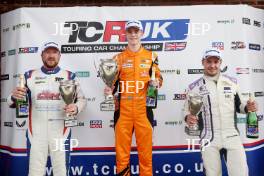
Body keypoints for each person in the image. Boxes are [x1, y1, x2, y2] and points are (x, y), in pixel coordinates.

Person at [7, 41, 87, 176]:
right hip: (36, 133)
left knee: (61, 172)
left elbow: (82, 100)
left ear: (59, 55)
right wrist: (14, 96)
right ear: (42, 55)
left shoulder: (69, 76)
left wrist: (76, 107)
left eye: (54, 52)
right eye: (48, 52)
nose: (51, 55)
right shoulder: (29, 76)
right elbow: (10, 102)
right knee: (35, 172)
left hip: (61, 132)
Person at [184, 48, 258, 176]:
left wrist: (248, 107)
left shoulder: (232, 82)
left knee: (241, 173)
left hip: (232, 136)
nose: (212, 65)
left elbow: (240, 106)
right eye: (209, 61)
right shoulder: (194, 87)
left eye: (216, 62)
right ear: (203, 62)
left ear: (220, 63)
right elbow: (187, 112)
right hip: (209, 138)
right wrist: (188, 118)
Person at [104, 20, 163, 176]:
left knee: (146, 156)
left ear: (141, 33)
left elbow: (159, 78)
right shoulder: (118, 58)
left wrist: (156, 83)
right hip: (123, 112)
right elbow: (113, 84)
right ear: (125, 34)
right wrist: (109, 90)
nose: (133, 34)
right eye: (130, 31)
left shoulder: (151, 56)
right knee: (122, 157)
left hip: (144, 110)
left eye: (136, 31)